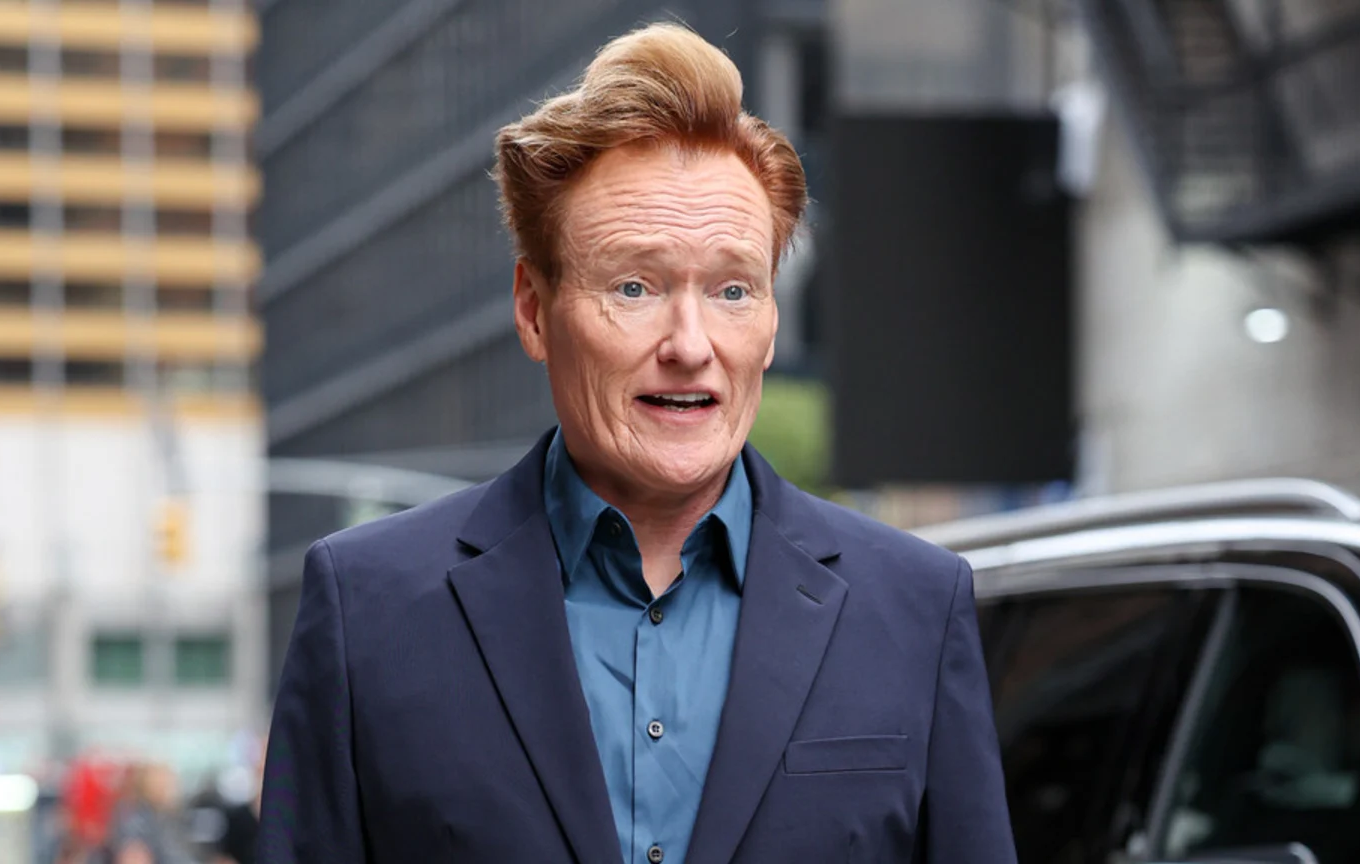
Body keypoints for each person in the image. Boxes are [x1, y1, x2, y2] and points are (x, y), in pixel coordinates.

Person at [258, 21, 1016, 864]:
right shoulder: (367, 611)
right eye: (634, 286)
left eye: (733, 289)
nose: (691, 343)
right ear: (533, 310)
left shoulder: (915, 609)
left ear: (770, 322)